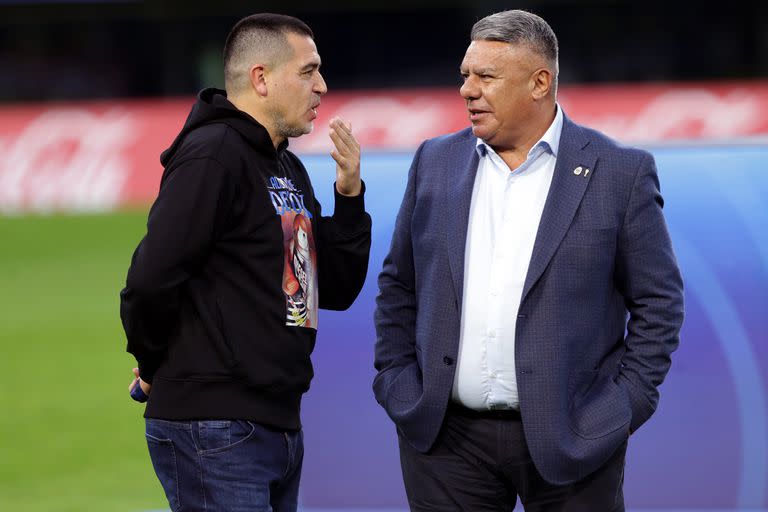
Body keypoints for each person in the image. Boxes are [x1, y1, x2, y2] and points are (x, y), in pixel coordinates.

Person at [373, 9, 683, 511]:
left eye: (485, 77)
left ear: (540, 83)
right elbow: (399, 286)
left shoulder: (620, 173)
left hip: (575, 442)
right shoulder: (433, 162)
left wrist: (622, 407)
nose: (467, 90)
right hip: (445, 443)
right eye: (464, 76)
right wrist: (398, 382)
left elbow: (659, 302)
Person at [120, 13, 371, 512]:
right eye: (307, 71)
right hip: (214, 426)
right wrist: (153, 364)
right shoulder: (212, 155)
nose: (322, 86)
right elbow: (150, 280)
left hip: (275, 423)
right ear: (261, 78)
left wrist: (348, 196)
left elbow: (330, 290)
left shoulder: (286, 166)